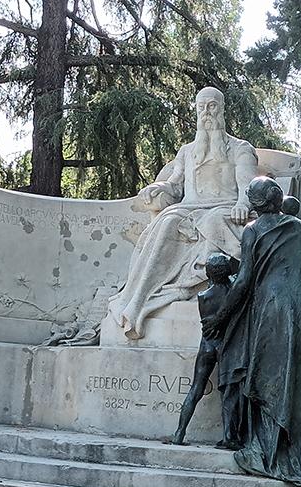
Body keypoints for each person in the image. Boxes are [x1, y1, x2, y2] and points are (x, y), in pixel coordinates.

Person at [202, 177, 301, 487]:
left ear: (254, 202)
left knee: (271, 377)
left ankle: (271, 451)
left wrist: (220, 318)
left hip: (276, 308)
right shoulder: (299, 227)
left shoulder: (253, 230)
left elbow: (245, 281)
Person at [107, 87, 258, 339]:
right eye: (201, 107)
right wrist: (158, 186)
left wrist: (243, 204)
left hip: (224, 209)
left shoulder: (239, 148)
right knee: (166, 222)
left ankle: (169, 292)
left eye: (211, 106)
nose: (206, 112)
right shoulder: (187, 151)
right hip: (188, 209)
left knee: (208, 222)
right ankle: (137, 300)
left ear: (221, 109)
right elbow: (175, 185)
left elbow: (248, 186)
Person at [170, 254, 243, 448]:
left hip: (207, 345)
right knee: (229, 391)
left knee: (196, 389)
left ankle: (179, 433)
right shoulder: (233, 291)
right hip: (227, 345)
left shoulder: (203, 296)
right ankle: (229, 436)